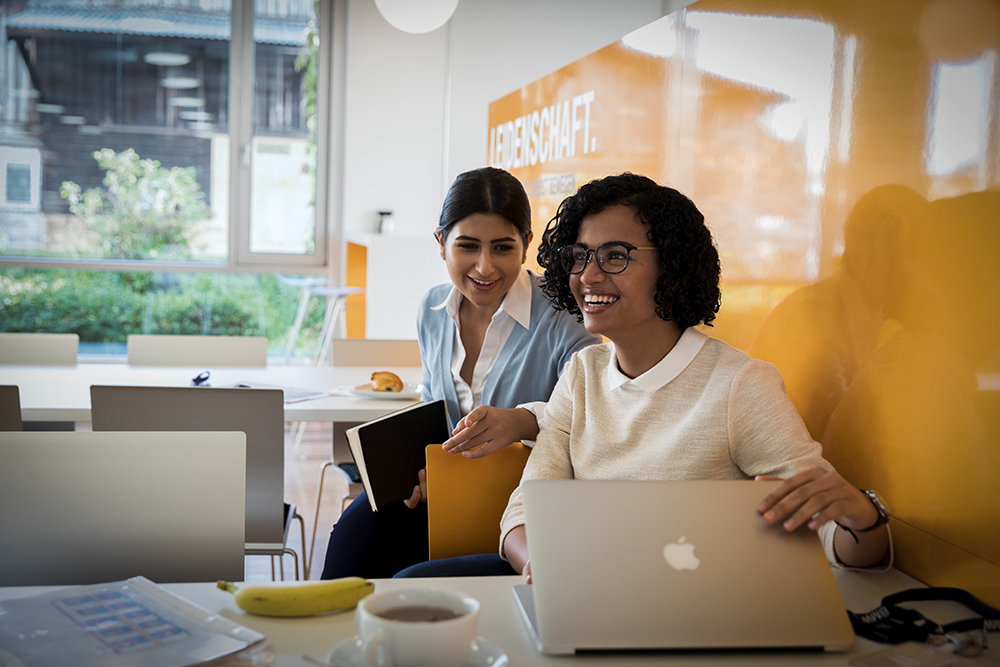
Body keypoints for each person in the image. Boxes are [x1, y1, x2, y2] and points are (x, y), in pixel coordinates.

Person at [396, 172, 892, 579]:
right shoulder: (582, 374)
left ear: (672, 268)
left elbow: (843, 543)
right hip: (580, 587)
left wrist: (862, 519)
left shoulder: (741, 385)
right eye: (581, 256)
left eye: (615, 256)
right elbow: (524, 510)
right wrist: (537, 563)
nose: (589, 275)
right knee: (408, 587)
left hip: (689, 608)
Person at [320, 167, 601, 580]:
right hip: (448, 488)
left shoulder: (564, 314)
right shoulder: (433, 309)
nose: (484, 267)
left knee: (401, 576)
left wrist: (522, 419)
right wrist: (424, 468)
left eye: (502, 248)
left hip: (522, 498)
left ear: (525, 245)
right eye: (467, 246)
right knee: (352, 539)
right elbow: (435, 411)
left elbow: (595, 409)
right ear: (441, 244)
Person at [749, 185, 929, 440]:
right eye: (915, 255)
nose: (924, 275)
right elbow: (840, 436)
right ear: (868, 252)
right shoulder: (813, 317)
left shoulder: (880, 319)